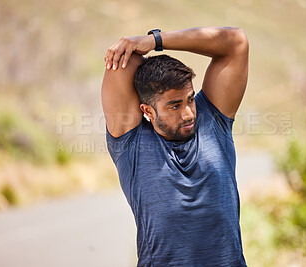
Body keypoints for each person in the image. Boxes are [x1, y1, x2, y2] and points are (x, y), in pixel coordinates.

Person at [102, 26, 249, 266]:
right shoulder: (132, 145)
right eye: (174, 106)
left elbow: (236, 41)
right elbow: (125, 61)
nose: (189, 113)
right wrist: (136, 48)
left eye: (190, 99)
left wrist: (155, 41)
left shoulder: (213, 120)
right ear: (148, 110)